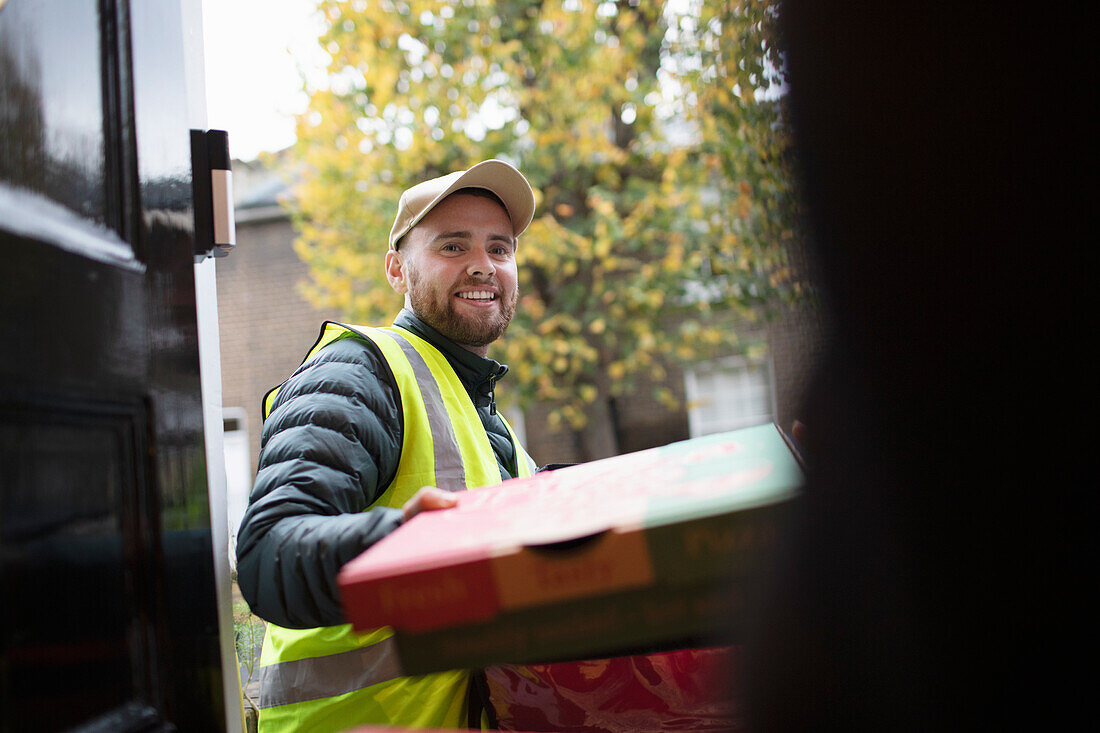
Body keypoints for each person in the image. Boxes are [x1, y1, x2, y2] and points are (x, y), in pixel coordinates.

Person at [235, 160, 539, 731]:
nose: (483, 265)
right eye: (452, 246)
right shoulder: (357, 373)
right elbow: (268, 553)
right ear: (397, 270)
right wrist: (404, 543)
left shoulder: (482, 414)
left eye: (500, 249)